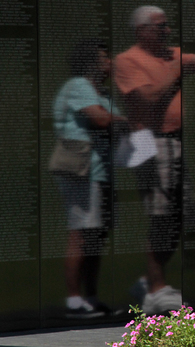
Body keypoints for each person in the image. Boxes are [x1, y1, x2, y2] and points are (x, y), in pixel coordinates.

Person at [114, 5, 195, 315]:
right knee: (160, 216)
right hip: (151, 145)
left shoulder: (170, 56)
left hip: (174, 144)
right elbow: (146, 98)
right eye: (160, 27)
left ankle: (151, 283)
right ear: (142, 31)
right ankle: (156, 288)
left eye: (167, 26)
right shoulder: (127, 62)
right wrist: (174, 71)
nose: (167, 32)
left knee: (177, 214)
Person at [51, 38, 127, 318]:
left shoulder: (102, 93)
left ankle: (91, 298)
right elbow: (102, 119)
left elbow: (114, 122)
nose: (110, 63)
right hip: (82, 172)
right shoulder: (79, 87)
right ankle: (74, 301)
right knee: (80, 236)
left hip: (100, 173)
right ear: (91, 62)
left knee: (96, 237)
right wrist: (134, 121)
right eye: (105, 58)